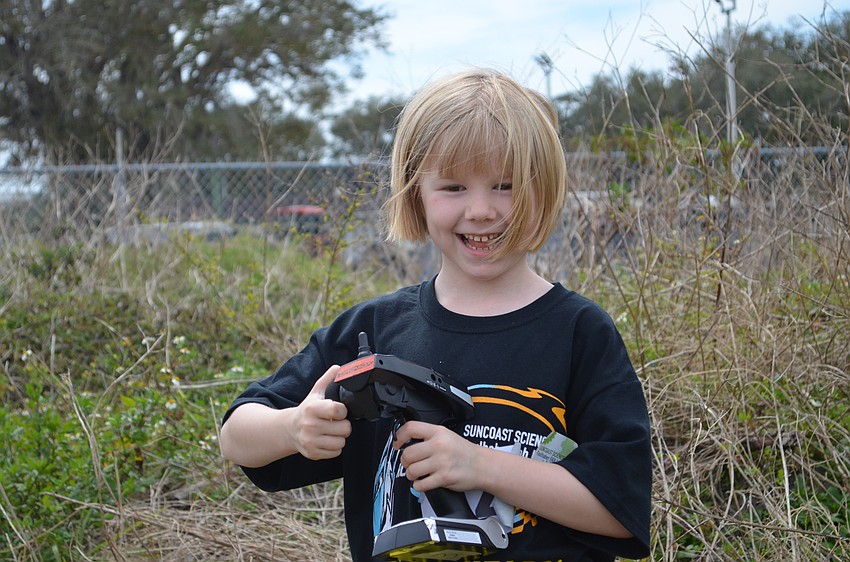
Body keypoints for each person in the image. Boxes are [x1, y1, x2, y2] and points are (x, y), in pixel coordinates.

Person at [220, 68, 652, 561]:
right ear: (415, 194)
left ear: (545, 189)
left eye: (506, 185)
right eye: (452, 187)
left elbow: (621, 512)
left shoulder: (580, 332)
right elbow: (236, 436)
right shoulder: (375, 330)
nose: (482, 210)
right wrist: (293, 427)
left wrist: (478, 465)